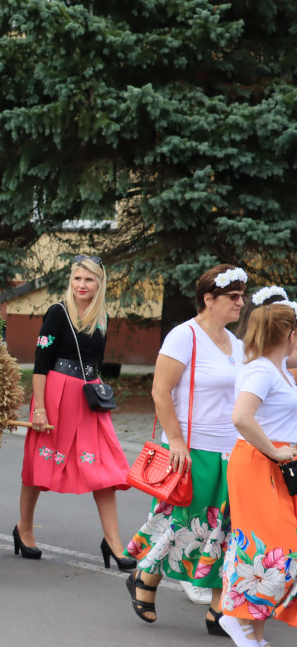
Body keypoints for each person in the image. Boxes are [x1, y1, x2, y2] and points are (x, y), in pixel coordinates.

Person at [123, 265, 247, 633]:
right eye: (233, 296)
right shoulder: (184, 336)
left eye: (243, 296)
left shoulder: (235, 343)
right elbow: (161, 391)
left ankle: (218, 608)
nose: (241, 302)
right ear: (209, 299)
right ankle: (145, 578)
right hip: (191, 449)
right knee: (183, 526)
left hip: (231, 451)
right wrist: (176, 440)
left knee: (224, 529)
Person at [16, 256, 135, 570]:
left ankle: (113, 542)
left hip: (87, 398)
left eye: (89, 280)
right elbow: (41, 364)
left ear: (99, 283)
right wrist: (39, 407)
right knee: (39, 463)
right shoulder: (58, 312)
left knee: (106, 469)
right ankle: (24, 528)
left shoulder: (102, 317)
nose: (82, 285)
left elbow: (95, 362)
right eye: (78, 279)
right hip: (55, 395)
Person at [220, 302, 297, 647]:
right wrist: (275, 450)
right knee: (273, 547)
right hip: (260, 462)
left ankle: (255, 634)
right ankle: (233, 616)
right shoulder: (262, 371)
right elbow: (241, 417)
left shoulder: (278, 368)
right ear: (291, 335)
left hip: (276, 462)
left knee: (267, 548)